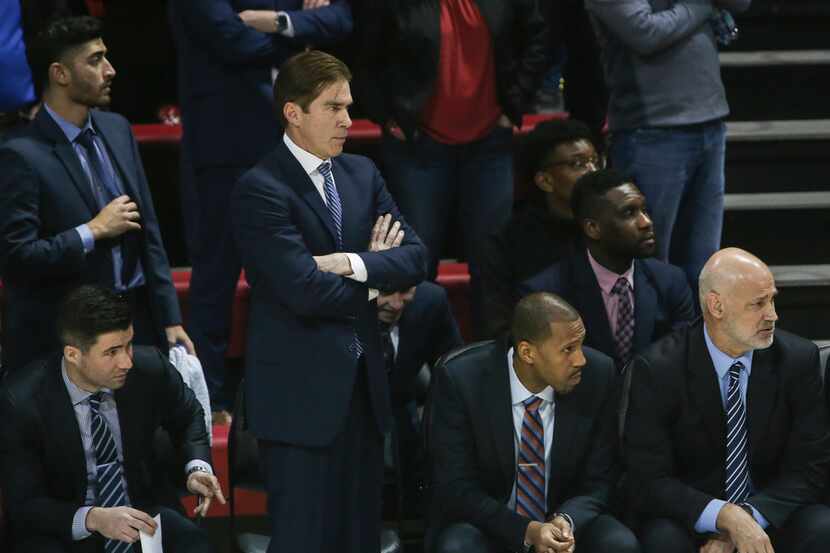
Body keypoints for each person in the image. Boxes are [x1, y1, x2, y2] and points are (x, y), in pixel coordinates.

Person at [230, 50, 427, 553]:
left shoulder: (363, 173)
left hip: (364, 392)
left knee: (360, 541)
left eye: (349, 106)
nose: (347, 119)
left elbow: (417, 257)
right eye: (333, 107)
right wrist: (377, 272)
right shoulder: (261, 188)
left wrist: (350, 263)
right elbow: (302, 290)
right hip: (299, 402)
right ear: (294, 113)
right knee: (304, 542)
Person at [169, 0, 353, 418]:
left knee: (299, 269)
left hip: (292, 144)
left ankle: (299, 391)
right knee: (216, 278)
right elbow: (230, 38)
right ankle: (206, 399)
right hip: (225, 144)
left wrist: (278, 23)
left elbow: (341, 19)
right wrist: (301, 41)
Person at [0, 16, 192, 374]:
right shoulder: (19, 154)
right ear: (60, 74)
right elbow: (17, 258)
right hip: (67, 340)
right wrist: (92, 231)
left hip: (138, 326)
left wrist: (170, 319)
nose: (110, 70)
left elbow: (149, 232)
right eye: (95, 60)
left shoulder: (117, 128)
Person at [352, 0, 548, 337]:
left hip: (489, 142)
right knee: (416, 262)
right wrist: (386, 115)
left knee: (492, 262)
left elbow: (539, 38)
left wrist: (514, 103)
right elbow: (364, 56)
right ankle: (415, 371)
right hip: (417, 144)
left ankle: (493, 365)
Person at [624, 247, 830, 553]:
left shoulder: (798, 360)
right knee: (662, 540)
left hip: (770, 510)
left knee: (822, 527)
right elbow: (648, 478)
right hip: (692, 517)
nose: (773, 315)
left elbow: (811, 466)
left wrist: (748, 517)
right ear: (716, 306)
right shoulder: (658, 369)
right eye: (758, 304)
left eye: (772, 299)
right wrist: (723, 517)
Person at [0, 285, 224, 553]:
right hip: (65, 526)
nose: (126, 361)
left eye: (128, 345)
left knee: (193, 543)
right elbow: (26, 504)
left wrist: (196, 467)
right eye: (112, 352)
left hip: (141, 512)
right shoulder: (22, 401)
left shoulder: (148, 368)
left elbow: (188, 414)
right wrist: (94, 518)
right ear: (73, 354)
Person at [428, 292, 639, 553]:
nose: (581, 360)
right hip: (491, 524)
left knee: (619, 544)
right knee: (457, 547)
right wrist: (527, 531)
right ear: (528, 353)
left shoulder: (598, 375)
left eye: (580, 345)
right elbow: (456, 487)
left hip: (566, 521)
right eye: (567, 350)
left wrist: (565, 521)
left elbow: (602, 479)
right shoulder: (462, 380)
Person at [586, 0, 752, 290]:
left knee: (704, 262)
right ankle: (652, 336)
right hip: (652, 130)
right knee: (649, 259)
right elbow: (644, 32)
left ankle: (694, 335)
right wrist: (703, 6)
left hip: (710, 121)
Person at [522, 169, 694, 370]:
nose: (646, 223)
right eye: (629, 213)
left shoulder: (672, 282)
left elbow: (682, 360)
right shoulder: (548, 294)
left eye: (644, 210)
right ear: (593, 228)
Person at [480, 118, 600, 338]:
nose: (592, 172)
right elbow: (496, 323)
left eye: (595, 161)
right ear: (544, 180)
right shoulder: (508, 242)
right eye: (578, 164)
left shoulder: (611, 229)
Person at [378, 281, 464, 512]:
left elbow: (458, 371)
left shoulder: (430, 301)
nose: (396, 304)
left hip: (401, 407)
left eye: (405, 290)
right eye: (385, 290)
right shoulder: (334, 301)